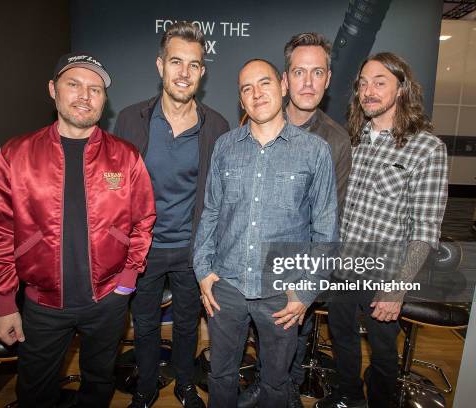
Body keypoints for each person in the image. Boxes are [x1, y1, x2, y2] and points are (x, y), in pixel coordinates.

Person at [0, 52, 156, 408]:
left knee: (99, 384)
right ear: (53, 90)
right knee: (34, 392)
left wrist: (127, 278)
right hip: (43, 303)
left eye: (95, 89)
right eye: (73, 84)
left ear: (104, 100)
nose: (84, 96)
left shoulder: (125, 156)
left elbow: (143, 221)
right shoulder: (16, 154)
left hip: (108, 300)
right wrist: (3, 302)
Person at [194, 58, 338, 408]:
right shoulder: (225, 146)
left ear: (283, 86)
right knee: (220, 376)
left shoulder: (315, 151)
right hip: (225, 287)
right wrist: (203, 270)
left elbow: (325, 230)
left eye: (264, 83)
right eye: (247, 88)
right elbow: (210, 211)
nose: (256, 94)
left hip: (281, 294)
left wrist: (304, 293)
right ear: (241, 101)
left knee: (276, 383)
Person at [314, 52, 448, 408]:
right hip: (343, 268)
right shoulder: (353, 141)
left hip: (384, 275)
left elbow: (426, 230)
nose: (368, 91)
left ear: (402, 89)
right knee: (341, 337)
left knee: (384, 354)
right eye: (363, 83)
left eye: (379, 82)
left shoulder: (426, 148)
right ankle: (348, 396)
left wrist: (398, 288)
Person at [114, 21, 229, 408]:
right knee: (144, 325)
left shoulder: (217, 127)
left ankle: (183, 384)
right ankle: (146, 386)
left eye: (193, 64)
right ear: (160, 65)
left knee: (186, 325)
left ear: (202, 72)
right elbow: (113, 192)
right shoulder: (130, 120)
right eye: (176, 62)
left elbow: (220, 198)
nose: (184, 72)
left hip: (191, 249)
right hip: (142, 249)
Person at [237, 32, 351, 408]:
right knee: (258, 340)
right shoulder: (252, 119)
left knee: (291, 347)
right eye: (299, 72)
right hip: (252, 265)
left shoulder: (335, 142)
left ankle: (285, 391)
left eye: (317, 73)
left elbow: (327, 224)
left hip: (298, 269)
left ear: (328, 79)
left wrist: (302, 286)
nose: (308, 82)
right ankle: (268, 385)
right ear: (284, 80)